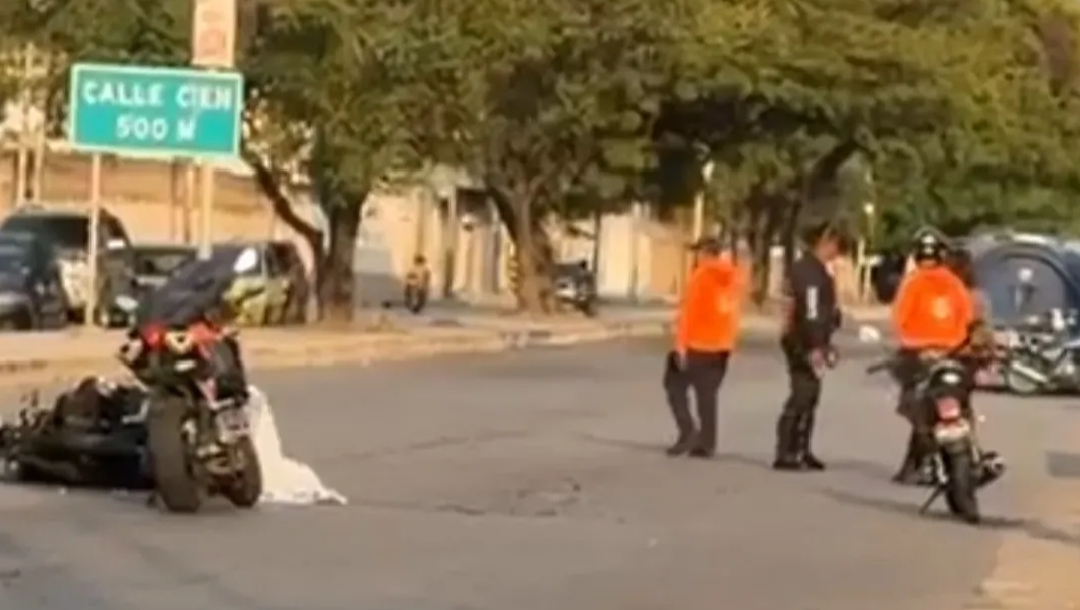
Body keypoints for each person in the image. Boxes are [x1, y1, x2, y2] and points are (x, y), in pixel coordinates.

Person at [890, 229, 975, 485]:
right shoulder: (954, 284)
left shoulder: (914, 284)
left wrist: (922, 348)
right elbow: (968, 320)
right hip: (950, 355)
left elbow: (899, 322)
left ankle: (922, 463)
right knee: (946, 407)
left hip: (924, 356)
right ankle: (924, 463)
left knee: (922, 410)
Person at [773, 223, 844, 471]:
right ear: (823, 243)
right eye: (835, 244)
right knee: (801, 395)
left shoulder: (819, 271)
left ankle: (803, 449)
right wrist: (815, 345)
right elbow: (811, 311)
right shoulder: (808, 273)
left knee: (811, 395)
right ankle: (786, 451)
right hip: (801, 340)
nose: (837, 250)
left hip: (813, 339)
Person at [664, 236, 742, 458]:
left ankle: (687, 431)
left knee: (674, 386)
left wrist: (680, 345)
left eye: (698, 253)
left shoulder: (701, 276)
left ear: (705, 253)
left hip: (697, 344)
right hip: (721, 347)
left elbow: (689, 313)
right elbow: (731, 313)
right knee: (707, 394)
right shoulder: (732, 277)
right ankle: (707, 442)